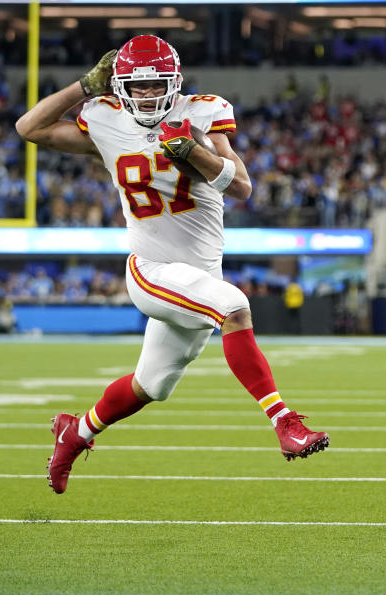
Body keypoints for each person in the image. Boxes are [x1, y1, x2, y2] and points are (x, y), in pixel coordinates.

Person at [16, 35, 329, 494]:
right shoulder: (104, 118)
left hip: (198, 276)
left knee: (151, 386)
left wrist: (193, 151)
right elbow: (29, 128)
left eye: (155, 85)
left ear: (175, 81)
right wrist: (83, 87)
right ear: (117, 85)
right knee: (235, 307)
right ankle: (285, 425)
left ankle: (74, 432)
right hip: (152, 268)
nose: (146, 95)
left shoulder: (201, 113)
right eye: (136, 87)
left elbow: (241, 186)